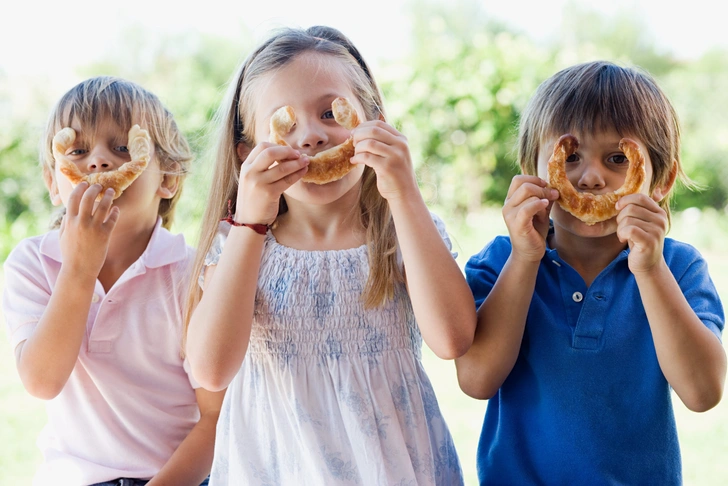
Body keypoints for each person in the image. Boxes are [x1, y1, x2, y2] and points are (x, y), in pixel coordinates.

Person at [184, 26, 476, 485]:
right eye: (285, 123)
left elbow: (453, 339)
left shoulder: (400, 232)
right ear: (247, 157)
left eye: (330, 112)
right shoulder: (239, 244)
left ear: (375, 123)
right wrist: (250, 222)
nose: (313, 136)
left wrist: (404, 194)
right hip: (277, 468)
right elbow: (210, 369)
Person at [455, 60, 726, 485]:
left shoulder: (678, 267)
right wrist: (525, 259)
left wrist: (651, 270)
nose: (592, 178)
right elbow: (476, 380)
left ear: (662, 180)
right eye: (572, 156)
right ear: (532, 171)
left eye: (618, 158)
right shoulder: (501, 260)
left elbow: (703, 393)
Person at [2, 76, 224, 486]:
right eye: (78, 151)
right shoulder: (32, 264)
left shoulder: (194, 276)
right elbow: (42, 380)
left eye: (124, 148)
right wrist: (79, 269)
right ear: (54, 184)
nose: (100, 162)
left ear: (168, 179)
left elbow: (215, 417)